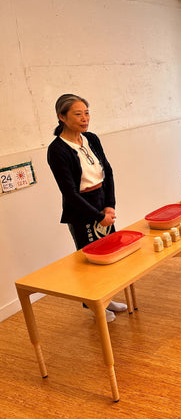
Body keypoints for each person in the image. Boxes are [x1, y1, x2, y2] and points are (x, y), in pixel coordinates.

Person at [47, 94, 126, 323]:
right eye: (78, 114)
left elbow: (107, 172)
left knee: (108, 254)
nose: (85, 118)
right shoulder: (57, 150)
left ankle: (107, 297)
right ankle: (94, 304)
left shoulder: (91, 138)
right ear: (61, 117)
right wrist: (97, 216)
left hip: (102, 202)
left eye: (87, 113)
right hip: (81, 208)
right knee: (90, 260)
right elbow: (69, 193)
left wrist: (110, 206)